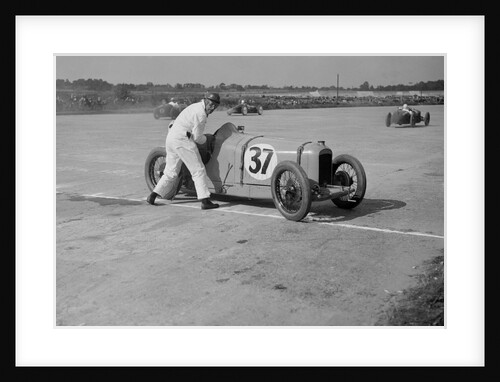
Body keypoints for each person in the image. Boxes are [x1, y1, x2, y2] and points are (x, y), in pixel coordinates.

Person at [146, 93, 221, 209]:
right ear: (205, 101)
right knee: (198, 170)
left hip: (171, 138)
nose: (212, 108)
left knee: (170, 172)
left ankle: (152, 196)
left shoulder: (194, 106)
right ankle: (205, 201)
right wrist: (209, 139)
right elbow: (198, 138)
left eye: (215, 106)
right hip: (182, 140)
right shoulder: (201, 114)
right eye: (211, 104)